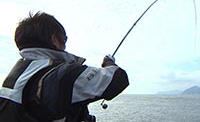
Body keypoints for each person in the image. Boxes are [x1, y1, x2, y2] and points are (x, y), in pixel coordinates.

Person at [0, 12, 129, 121]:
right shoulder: (65, 74)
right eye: (64, 39)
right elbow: (118, 79)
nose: (65, 44)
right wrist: (109, 63)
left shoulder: (14, 76)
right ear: (54, 39)